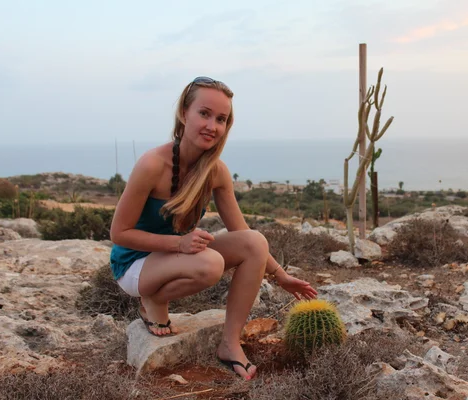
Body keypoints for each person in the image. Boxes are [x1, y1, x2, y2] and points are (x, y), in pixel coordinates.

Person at [109, 76, 318, 380]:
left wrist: (281, 276)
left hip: (177, 258)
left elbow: (241, 230)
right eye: (204, 114)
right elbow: (119, 233)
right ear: (184, 113)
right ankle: (153, 299)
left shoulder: (216, 171)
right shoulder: (152, 164)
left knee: (255, 242)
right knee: (210, 264)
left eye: (221, 119)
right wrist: (178, 245)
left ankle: (230, 344)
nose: (212, 125)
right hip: (134, 265)